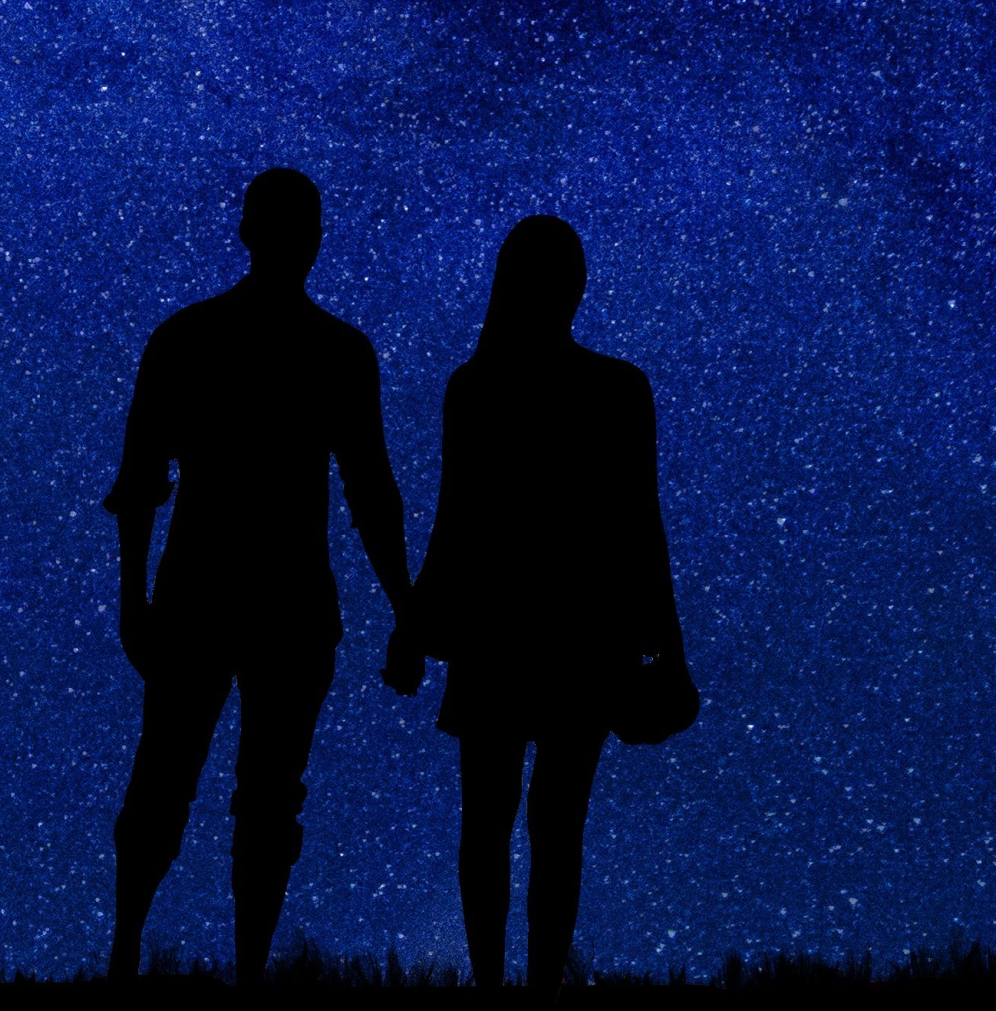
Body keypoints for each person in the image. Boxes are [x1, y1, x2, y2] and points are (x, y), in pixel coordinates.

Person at [102, 167, 419, 983]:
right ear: (311, 239)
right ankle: (212, 969)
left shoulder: (189, 338)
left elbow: (140, 482)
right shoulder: (334, 352)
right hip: (279, 600)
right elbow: (371, 493)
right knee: (253, 792)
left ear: (248, 231)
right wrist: (405, 607)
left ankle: (131, 954)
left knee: (180, 780)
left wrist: (133, 598)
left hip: (208, 592)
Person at [388, 215, 688, 989]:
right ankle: (541, 989)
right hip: (585, 632)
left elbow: (455, 522)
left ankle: (494, 987)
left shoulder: (476, 388)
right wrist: (668, 651)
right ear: (576, 287)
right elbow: (641, 528)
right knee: (557, 824)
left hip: (497, 628)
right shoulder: (617, 389)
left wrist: (415, 625)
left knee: (488, 820)